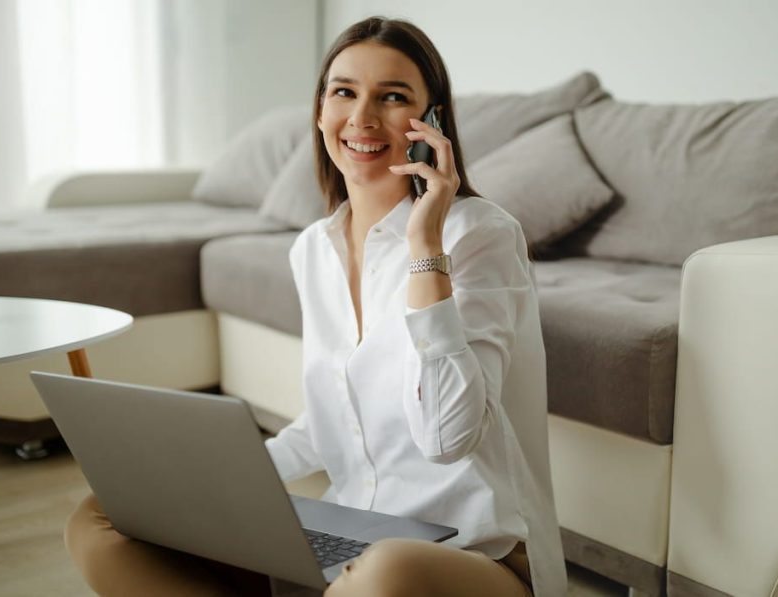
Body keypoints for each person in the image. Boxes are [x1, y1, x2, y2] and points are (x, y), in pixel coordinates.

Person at [64, 16, 566, 597]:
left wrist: (425, 247)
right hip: (352, 544)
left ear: (431, 123)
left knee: (387, 571)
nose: (362, 117)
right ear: (321, 110)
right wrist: (207, 478)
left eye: (393, 96)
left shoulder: (478, 235)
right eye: (344, 92)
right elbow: (334, 417)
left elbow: (447, 437)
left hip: (471, 556)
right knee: (101, 516)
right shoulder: (314, 249)